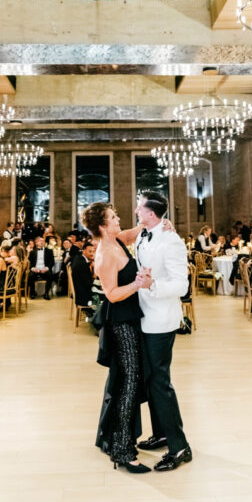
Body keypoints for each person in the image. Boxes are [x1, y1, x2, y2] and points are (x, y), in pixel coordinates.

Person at [83, 202, 151, 473]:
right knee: (129, 384)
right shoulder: (104, 254)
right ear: (102, 225)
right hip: (120, 324)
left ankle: (115, 439)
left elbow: (134, 232)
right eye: (113, 217)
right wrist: (137, 283)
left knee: (128, 381)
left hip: (130, 319)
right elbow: (111, 294)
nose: (118, 218)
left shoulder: (116, 240)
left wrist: (154, 222)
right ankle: (123, 450)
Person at [132, 191, 192, 471]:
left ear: (151, 214)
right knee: (151, 380)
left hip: (162, 320)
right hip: (144, 316)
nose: (136, 209)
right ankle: (162, 433)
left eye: (139, 206)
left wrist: (152, 285)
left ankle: (180, 447)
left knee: (160, 382)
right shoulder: (145, 233)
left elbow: (182, 286)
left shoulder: (172, 241)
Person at [71, 239, 97, 316]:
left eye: (93, 251)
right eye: (90, 251)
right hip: (83, 296)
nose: (92, 254)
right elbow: (89, 284)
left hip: (80, 290)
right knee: (107, 295)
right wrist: (95, 273)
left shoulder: (79, 258)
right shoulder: (82, 264)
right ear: (83, 251)